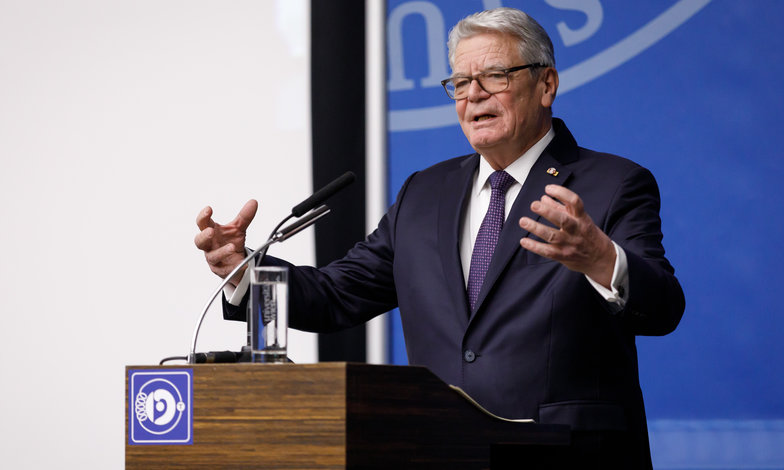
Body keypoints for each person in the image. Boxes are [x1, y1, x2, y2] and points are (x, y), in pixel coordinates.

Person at [195, 7, 683, 468]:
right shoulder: (424, 193)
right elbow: (336, 296)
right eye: (461, 83)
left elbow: (663, 308)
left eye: (495, 76)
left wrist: (601, 258)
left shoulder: (612, 184)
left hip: (566, 455)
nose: (474, 95)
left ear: (546, 84)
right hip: (439, 452)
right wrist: (245, 270)